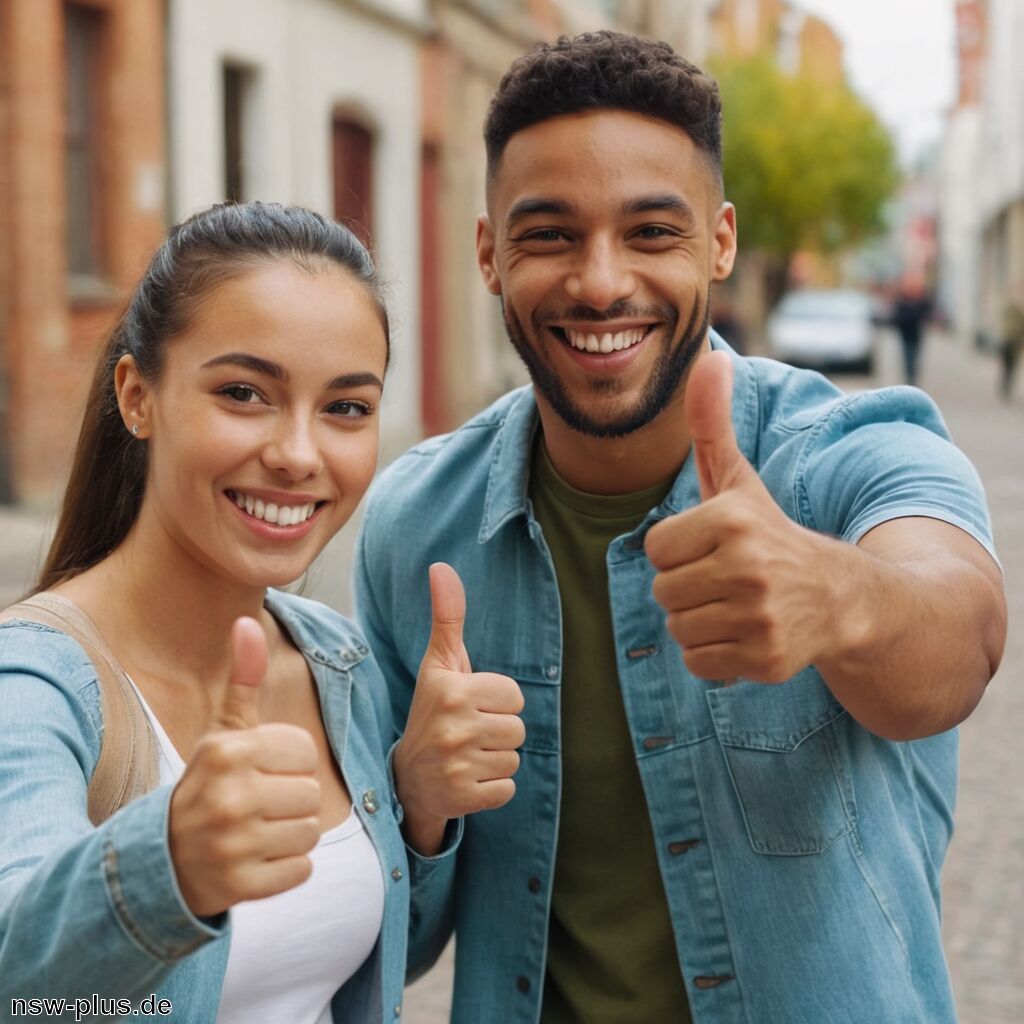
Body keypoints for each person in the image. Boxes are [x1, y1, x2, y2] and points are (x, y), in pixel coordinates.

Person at [354, 32, 1007, 1024]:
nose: (600, 281)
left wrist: (833, 597)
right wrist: (419, 804)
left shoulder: (845, 448)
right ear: (489, 253)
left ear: (721, 241)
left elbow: (963, 630)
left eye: (652, 232)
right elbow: (398, 938)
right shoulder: (415, 526)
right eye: (550, 235)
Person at [0, 202, 471, 1023]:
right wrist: (167, 864)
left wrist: (422, 807)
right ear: (137, 397)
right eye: (245, 393)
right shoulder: (36, 686)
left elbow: (385, 949)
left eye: (346, 408)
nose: (298, 453)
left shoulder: (338, 664)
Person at [891, 273, 933, 386]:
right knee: (907, 356)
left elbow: (927, 312)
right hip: (905, 333)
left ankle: (912, 377)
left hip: (916, 333)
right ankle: (909, 377)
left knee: (914, 356)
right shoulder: (902, 300)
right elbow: (896, 315)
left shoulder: (920, 300)